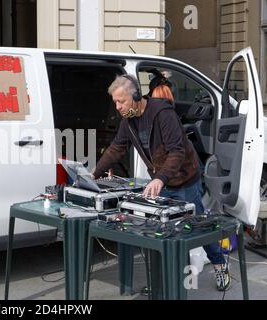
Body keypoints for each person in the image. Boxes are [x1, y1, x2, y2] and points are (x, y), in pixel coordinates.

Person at [92, 74, 231, 291]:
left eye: (122, 101)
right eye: (115, 102)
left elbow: (176, 151)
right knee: (162, 233)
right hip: (162, 181)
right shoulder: (128, 121)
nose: (118, 107)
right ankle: (165, 282)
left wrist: (159, 178)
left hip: (184, 179)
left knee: (194, 228)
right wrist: (94, 173)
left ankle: (219, 264)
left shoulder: (162, 114)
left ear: (136, 96)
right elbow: (116, 148)